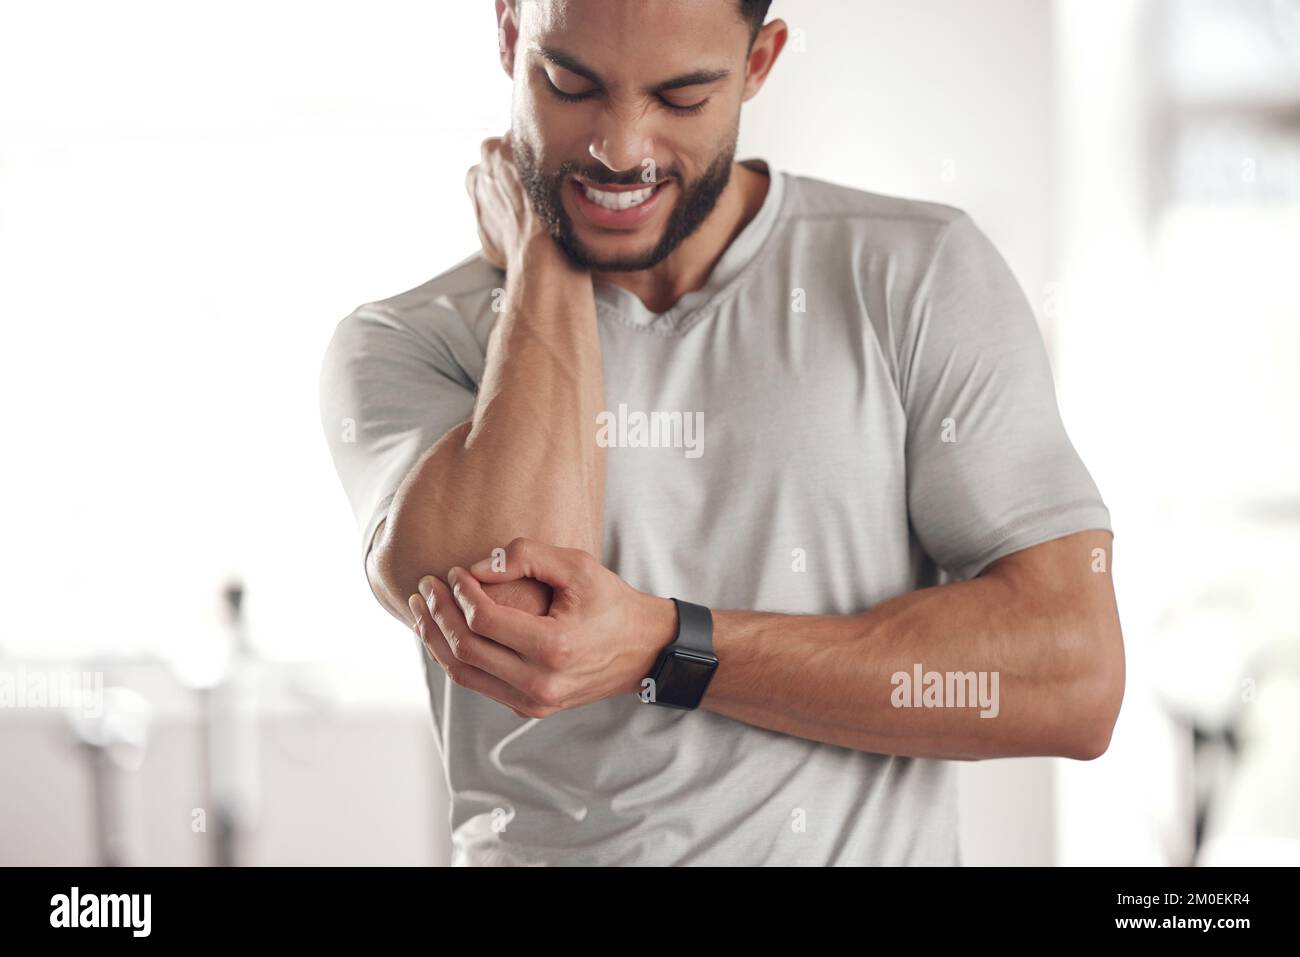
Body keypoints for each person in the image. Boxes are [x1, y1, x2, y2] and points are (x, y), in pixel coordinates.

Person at [318, 0, 1124, 866]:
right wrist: (548, 260)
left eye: (682, 96)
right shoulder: (406, 340)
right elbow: (523, 628)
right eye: (569, 83)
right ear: (510, 35)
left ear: (759, 63)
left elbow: (1072, 678)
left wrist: (671, 646)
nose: (619, 150)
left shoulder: (915, 276)